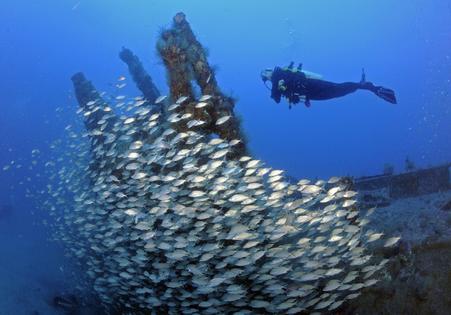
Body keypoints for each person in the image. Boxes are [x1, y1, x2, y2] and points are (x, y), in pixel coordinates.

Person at [261, 62, 397, 108]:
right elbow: (277, 98)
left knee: (337, 90)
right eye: (265, 76)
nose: (267, 76)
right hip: (309, 92)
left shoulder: (279, 74)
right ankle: (365, 86)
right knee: (337, 91)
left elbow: (276, 98)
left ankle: (367, 87)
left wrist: (276, 87)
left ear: (269, 71)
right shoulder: (277, 81)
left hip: (310, 87)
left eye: (266, 73)